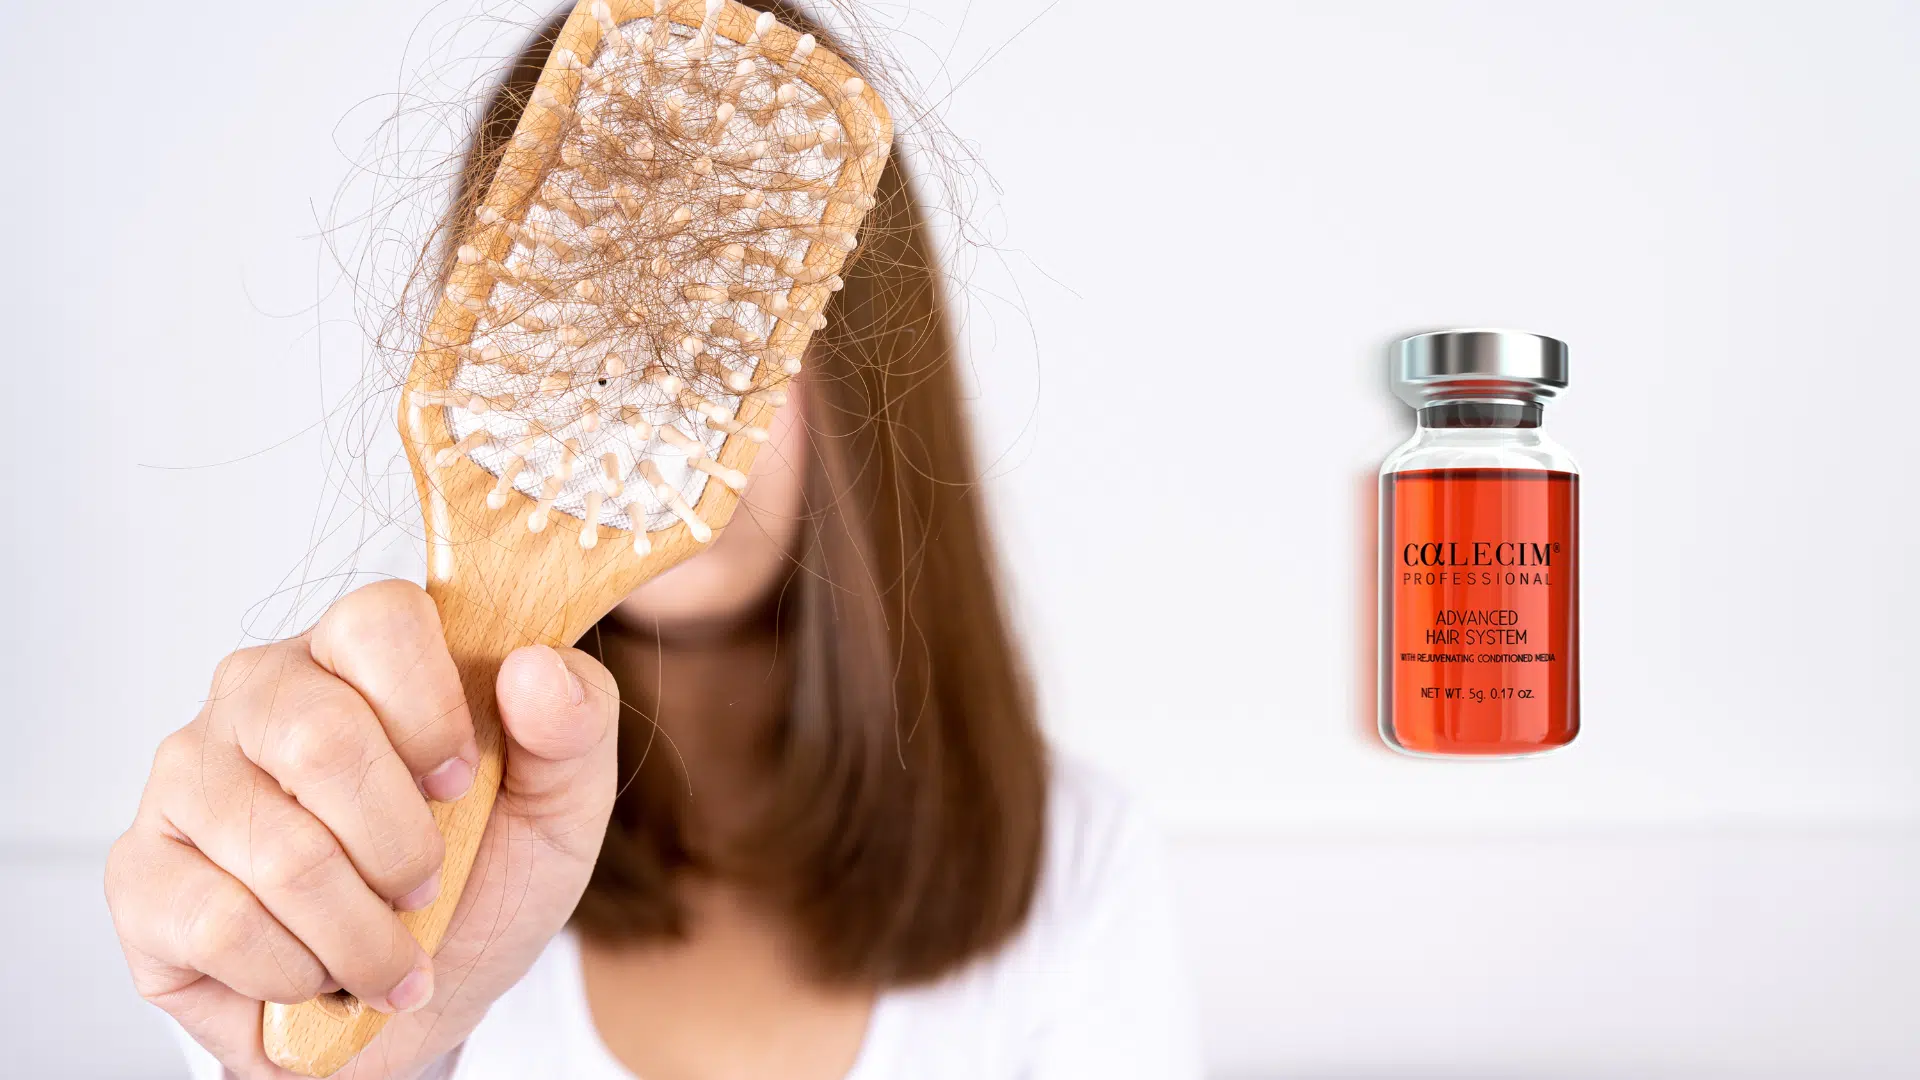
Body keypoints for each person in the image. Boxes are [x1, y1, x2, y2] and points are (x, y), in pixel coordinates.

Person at [104, 3, 1201, 1077]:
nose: (637, 388)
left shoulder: (1083, 870)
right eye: (585, 301)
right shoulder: (325, 862)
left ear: (864, 363)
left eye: (711, 317)